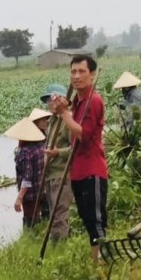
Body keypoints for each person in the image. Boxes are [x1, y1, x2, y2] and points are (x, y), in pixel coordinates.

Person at [43, 57, 108, 259]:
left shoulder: (93, 101)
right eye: (73, 72)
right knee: (87, 219)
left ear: (92, 74)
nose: (76, 76)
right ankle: (95, 263)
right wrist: (64, 111)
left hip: (92, 170)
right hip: (77, 172)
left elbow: (83, 135)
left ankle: (100, 265)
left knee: (96, 221)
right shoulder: (78, 102)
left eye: (81, 71)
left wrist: (64, 113)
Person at [38, 85, 74, 240]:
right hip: (50, 175)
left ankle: (60, 248)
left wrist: (58, 152)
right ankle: (57, 246)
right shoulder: (51, 122)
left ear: (62, 100)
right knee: (53, 215)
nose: (51, 104)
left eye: (53, 100)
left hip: (62, 174)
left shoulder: (67, 121)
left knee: (59, 215)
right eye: (48, 101)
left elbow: (76, 148)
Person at [6, 115, 47, 228]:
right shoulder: (42, 147)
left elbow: (27, 177)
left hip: (30, 194)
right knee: (40, 218)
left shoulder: (25, 151)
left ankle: (30, 239)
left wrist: (19, 197)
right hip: (42, 190)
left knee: (30, 221)